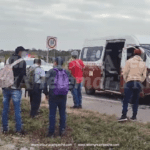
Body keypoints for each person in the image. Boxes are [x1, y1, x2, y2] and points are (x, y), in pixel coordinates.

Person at [43, 57, 75, 137]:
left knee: (52, 113)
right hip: (63, 95)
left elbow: (44, 83)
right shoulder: (66, 72)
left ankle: (51, 132)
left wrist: (46, 93)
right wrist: (68, 89)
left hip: (53, 95)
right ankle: (62, 131)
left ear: (55, 62)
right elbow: (73, 81)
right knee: (62, 113)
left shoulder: (50, 71)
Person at [2, 46, 27, 134]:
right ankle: (18, 130)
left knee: (5, 109)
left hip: (5, 87)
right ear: (20, 52)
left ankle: (5, 129)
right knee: (17, 109)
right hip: (16, 88)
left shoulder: (8, 60)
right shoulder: (22, 62)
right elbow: (23, 76)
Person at [118, 48, 147, 121]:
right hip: (138, 83)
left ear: (134, 54)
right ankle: (134, 117)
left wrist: (126, 80)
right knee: (136, 100)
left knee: (126, 100)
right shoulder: (143, 63)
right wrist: (140, 81)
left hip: (130, 82)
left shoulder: (129, 61)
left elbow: (124, 73)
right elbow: (144, 76)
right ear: (140, 54)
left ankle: (124, 116)